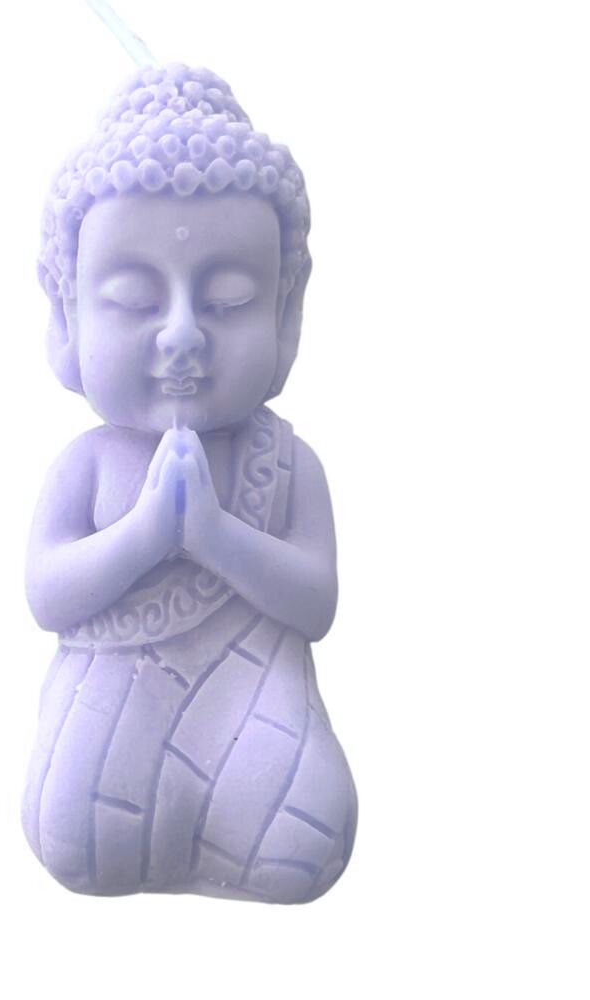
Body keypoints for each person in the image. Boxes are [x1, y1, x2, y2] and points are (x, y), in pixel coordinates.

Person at [21, 64, 357, 903]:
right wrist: (144, 535)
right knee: (74, 835)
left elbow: (316, 603)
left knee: (308, 832)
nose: (181, 334)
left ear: (286, 312)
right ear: (67, 317)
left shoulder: (286, 463)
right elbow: (47, 594)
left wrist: (213, 534)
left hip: (253, 691)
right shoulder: (89, 464)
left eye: (230, 300)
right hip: (117, 688)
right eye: (135, 300)